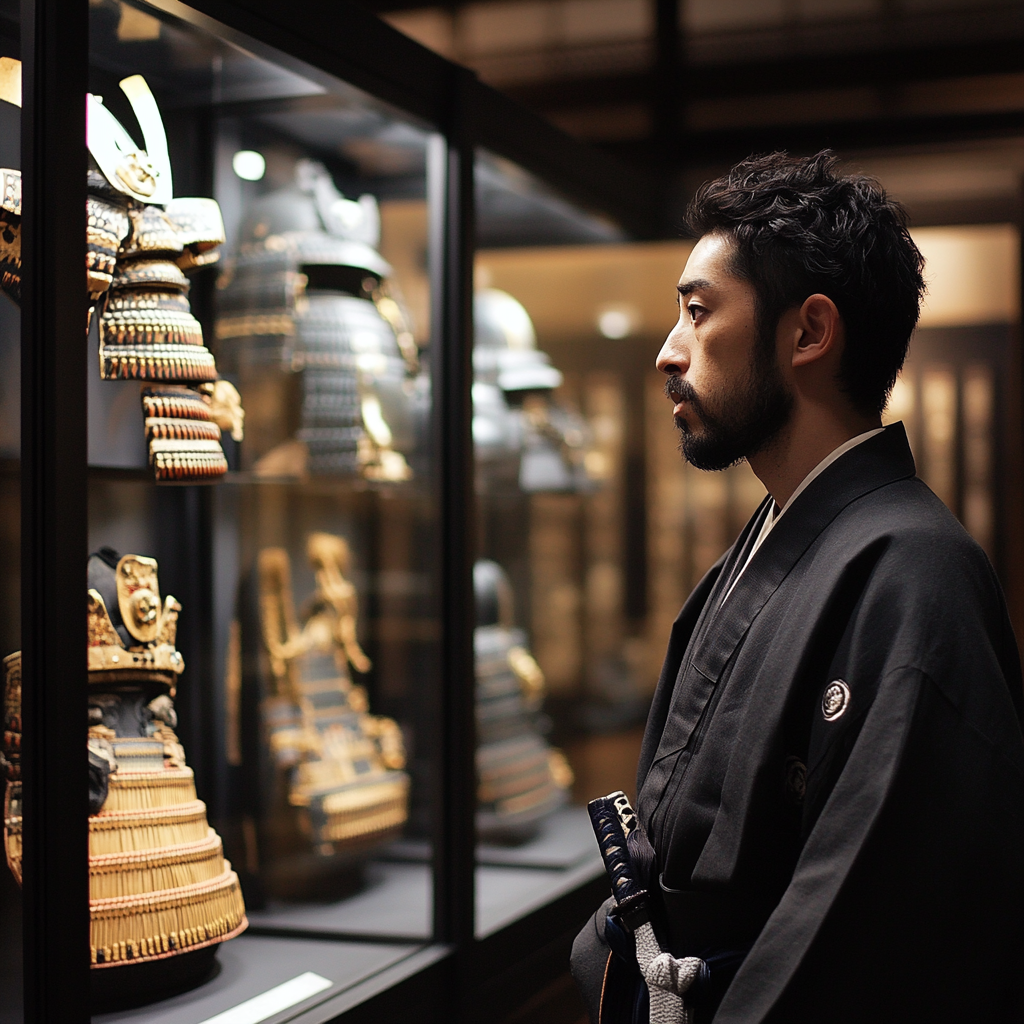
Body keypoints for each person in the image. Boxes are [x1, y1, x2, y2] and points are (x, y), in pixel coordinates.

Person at [571, 151, 1024, 1024]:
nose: (669, 352)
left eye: (699, 313)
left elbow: (870, 923)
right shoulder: (758, 549)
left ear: (809, 333)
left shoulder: (916, 574)